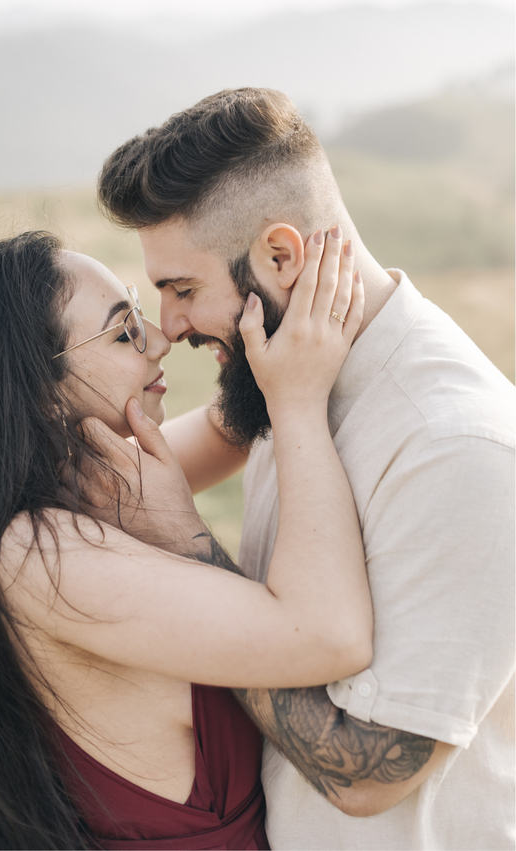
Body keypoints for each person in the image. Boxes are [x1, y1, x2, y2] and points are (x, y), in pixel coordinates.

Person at [97, 87, 515, 848]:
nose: (171, 327)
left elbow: (367, 773)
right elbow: (124, 476)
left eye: (184, 290)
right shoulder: (284, 377)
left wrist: (186, 556)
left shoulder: (458, 447)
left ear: (280, 257)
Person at [0, 226, 371, 849]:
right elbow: (329, 636)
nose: (160, 338)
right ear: (38, 390)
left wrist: (265, 317)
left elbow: (226, 429)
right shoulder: (45, 558)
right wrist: (295, 405)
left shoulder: (86, 485)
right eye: (125, 329)